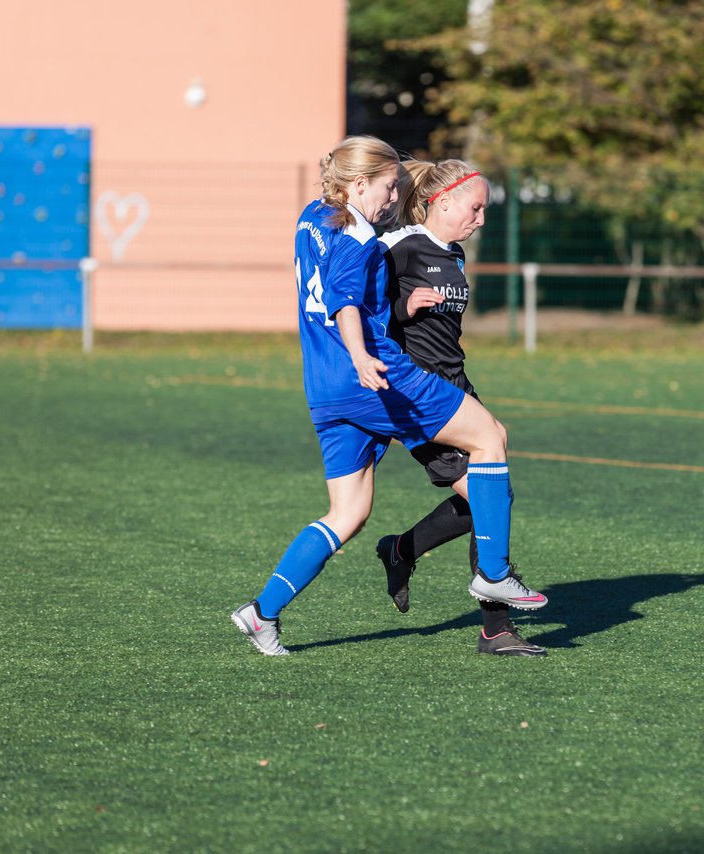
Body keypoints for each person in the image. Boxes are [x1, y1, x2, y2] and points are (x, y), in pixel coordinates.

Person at [231, 137, 547, 656]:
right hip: (376, 374)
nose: (395, 195)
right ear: (358, 184)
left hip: (324, 388)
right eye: (388, 185)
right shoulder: (358, 234)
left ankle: (262, 613)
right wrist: (360, 354)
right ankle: (493, 575)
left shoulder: (313, 216)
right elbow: (345, 301)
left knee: (348, 513)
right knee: (490, 438)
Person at [374, 159, 547, 657]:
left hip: (456, 385)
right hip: (416, 394)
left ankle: (402, 549)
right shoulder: (396, 249)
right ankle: (496, 627)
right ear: (443, 200)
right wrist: (403, 310)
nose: (481, 219)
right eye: (476, 207)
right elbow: (358, 316)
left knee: (489, 496)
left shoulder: (453, 255)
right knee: (490, 496)